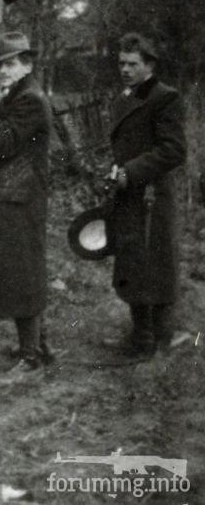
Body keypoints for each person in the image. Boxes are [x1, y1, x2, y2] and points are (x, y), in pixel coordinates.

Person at [0, 32, 52, 384]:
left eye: (10, 64)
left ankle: (31, 360)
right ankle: (36, 346)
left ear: (27, 65)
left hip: (21, 198)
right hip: (10, 195)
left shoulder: (29, 100)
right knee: (20, 272)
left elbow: (2, 143)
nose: (2, 70)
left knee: (23, 274)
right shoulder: (14, 94)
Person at [103, 32, 186, 358]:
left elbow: (174, 150)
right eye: (121, 63)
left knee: (153, 266)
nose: (125, 69)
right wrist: (115, 171)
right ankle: (142, 337)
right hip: (130, 196)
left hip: (152, 198)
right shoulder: (125, 97)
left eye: (133, 64)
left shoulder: (165, 97)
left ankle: (157, 340)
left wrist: (132, 171)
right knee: (133, 266)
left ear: (149, 65)